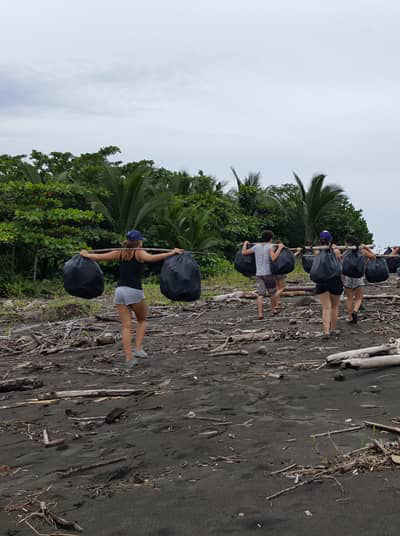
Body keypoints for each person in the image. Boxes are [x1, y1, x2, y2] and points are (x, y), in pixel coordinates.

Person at [80, 230, 183, 370]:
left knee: (126, 326)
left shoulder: (120, 252)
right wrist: (172, 252)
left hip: (119, 292)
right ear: (139, 242)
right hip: (133, 291)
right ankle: (138, 349)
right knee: (142, 320)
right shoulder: (139, 252)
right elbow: (153, 258)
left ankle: (129, 358)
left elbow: (98, 257)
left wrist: (85, 254)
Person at [242, 230, 284, 319]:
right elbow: (273, 258)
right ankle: (273, 310)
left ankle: (260, 314)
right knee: (272, 293)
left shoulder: (256, 246)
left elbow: (244, 252)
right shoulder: (271, 246)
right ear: (271, 239)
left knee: (260, 294)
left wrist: (245, 243)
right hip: (268, 273)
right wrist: (279, 248)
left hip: (259, 274)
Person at [314, 230, 343, 338]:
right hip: (335, 280)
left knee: (326, 307)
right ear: (330, 239)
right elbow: (340, 262)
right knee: (334, 307)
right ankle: (333, 329)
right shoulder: (336, 250)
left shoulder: (317, 251)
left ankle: (325, 331)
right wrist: (336, 249)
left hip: (321, 280)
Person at [342, 236, 375, 324]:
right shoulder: (363, 251)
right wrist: (367, 248)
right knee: (359, 298)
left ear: (348, 244)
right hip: (359, 277)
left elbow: (342, 262)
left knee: (349, 298)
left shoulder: (346, 253)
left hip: (348, 277)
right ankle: (355, 311)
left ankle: (349, 317)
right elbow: (373, 257)